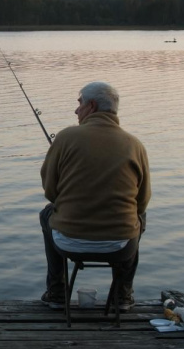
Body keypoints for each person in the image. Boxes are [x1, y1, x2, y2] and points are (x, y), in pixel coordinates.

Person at [39, 81, 151, 311]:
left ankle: (57, 293)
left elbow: (50, 192)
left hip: (68, 243)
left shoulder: (65, 138)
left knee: (46, 213)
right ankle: (122, 296)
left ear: (90, 106)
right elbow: (142, 201)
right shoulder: (135, 145)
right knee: (140, 218)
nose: (76, 110)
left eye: (79, 103)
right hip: (120, 246)